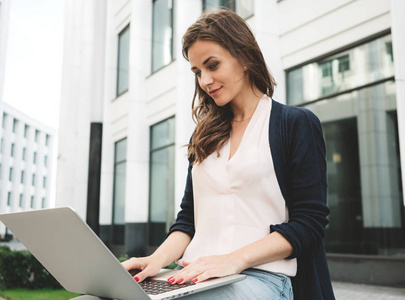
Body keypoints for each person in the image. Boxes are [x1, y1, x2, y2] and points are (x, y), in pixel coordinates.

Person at [122, 9, 335, 300]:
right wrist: (156, 260)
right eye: (197, 72)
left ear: (245, 56)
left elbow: (309, 222)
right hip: (195, 274)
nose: (205, 81)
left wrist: (233, 259)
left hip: (264, 277)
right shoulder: (204, 137)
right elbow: (188, 221)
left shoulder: (294, 124)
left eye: (212, 65)